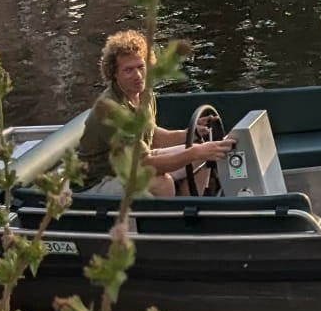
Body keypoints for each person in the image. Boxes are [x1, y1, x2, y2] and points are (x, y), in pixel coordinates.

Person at [75, 30, 233, 195]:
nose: (137, 75)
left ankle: (187, 214)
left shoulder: (144, 94)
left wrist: (187, 134)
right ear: (114, 74)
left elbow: (154, 136)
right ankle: (169, 219)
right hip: (98, 182)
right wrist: (193, 152)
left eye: (141, 67)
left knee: (201, 157)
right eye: (128, 70)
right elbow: (147, 164)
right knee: (161, 183)